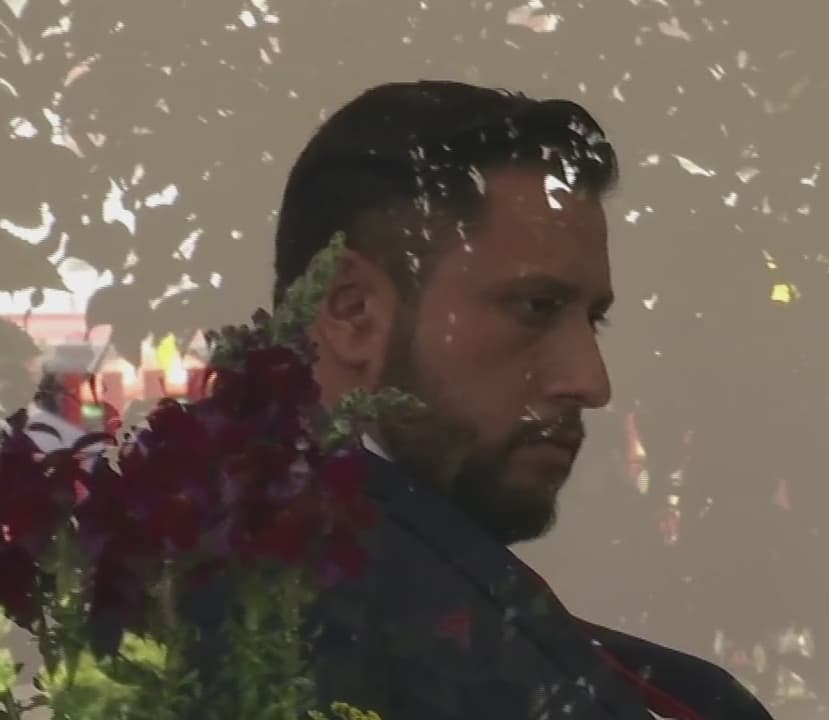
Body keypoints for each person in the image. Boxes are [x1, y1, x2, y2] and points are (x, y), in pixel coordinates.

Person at [260, 80, 774, 720]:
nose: (591, 381)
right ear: (352, 312)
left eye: (593, 320)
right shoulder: (245, 617)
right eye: (536, 307)